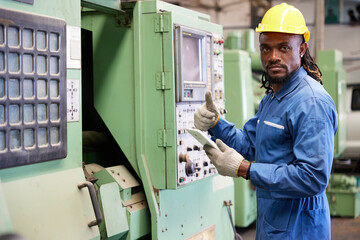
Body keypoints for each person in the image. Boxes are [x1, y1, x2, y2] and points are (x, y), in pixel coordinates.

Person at [194, 3, 338, 239]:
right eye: (266, 48)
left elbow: (313, 177)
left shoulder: (310, 102)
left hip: (299, 230)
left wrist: (245, 169)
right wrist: (216, 123)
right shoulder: (274, 97)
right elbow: (250, 144)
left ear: (301, 48)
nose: (273, 57)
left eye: (283, 48)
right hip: (273, 224)